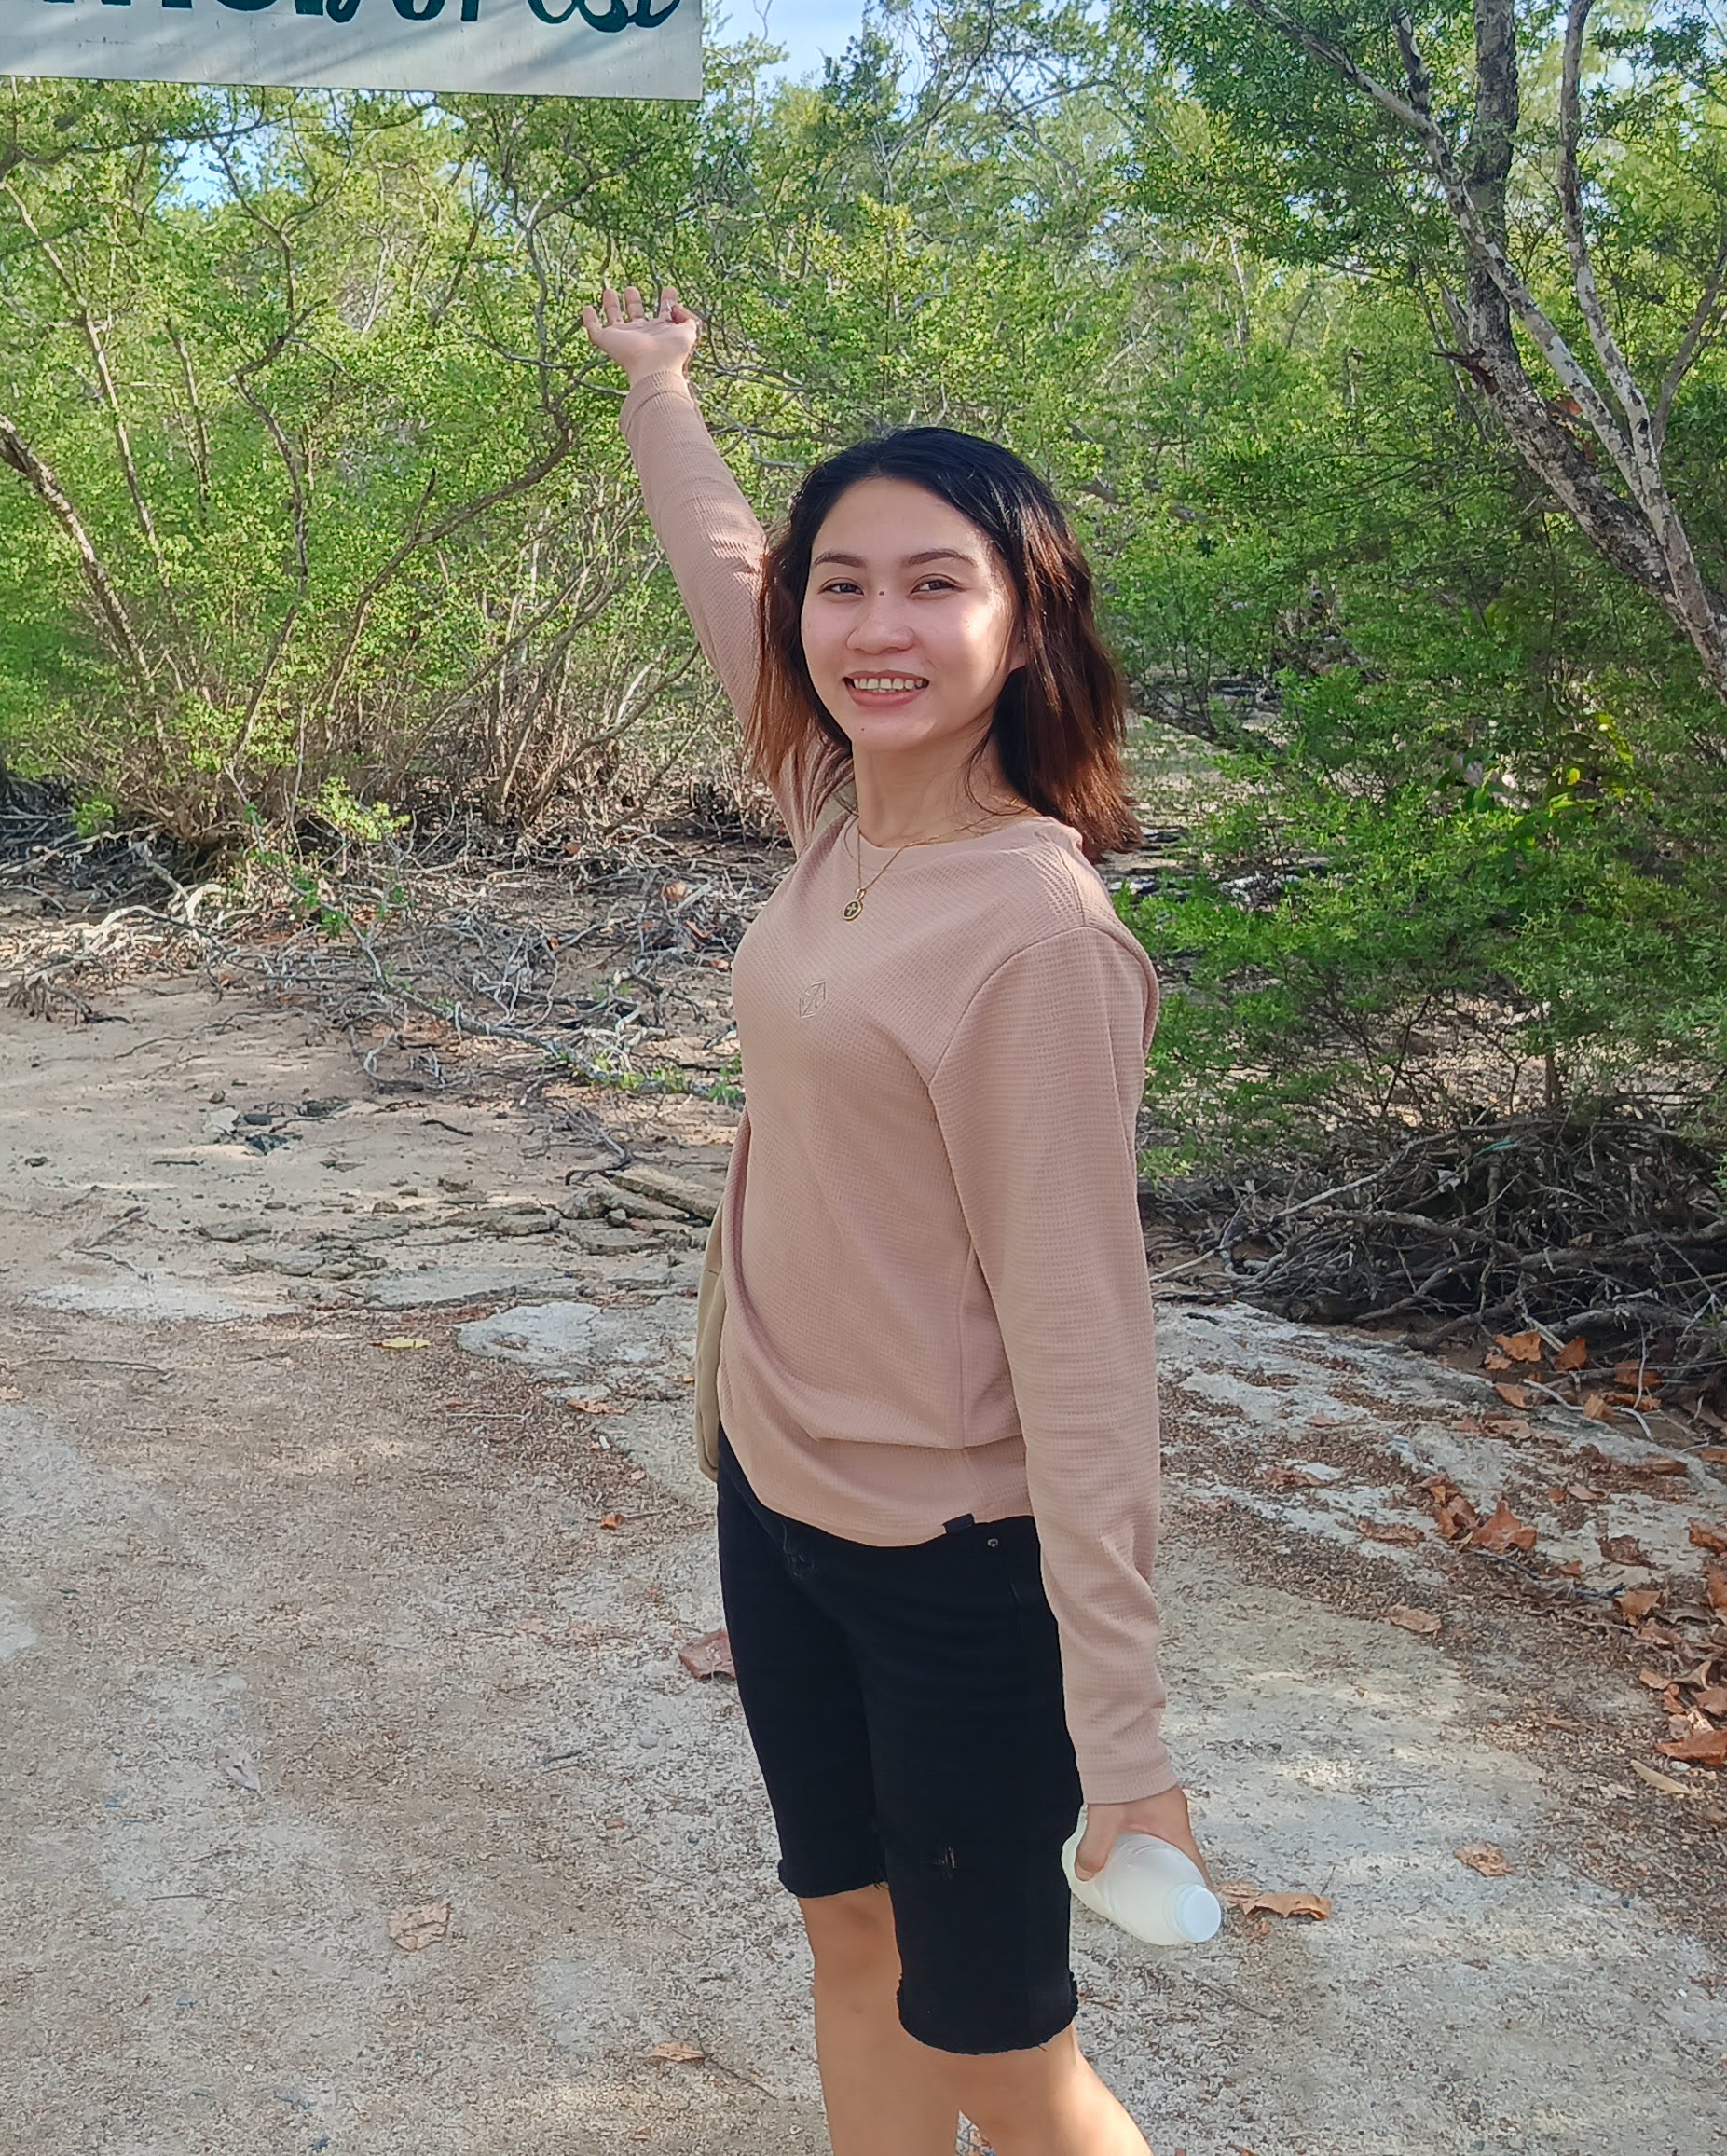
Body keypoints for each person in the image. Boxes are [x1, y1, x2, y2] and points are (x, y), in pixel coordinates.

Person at [584, 281, 1192, 2156]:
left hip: (955, 1567)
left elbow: (1082, 1335)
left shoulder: (1033, 933)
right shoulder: (840, 814)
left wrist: (1129, 1742)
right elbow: (726, 576)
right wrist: (660, 390)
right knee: (846, 1938)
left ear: (1026, 622)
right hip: (781, 1505)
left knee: (1003, 2059)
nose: (877, 626)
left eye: (936, 584)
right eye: (842, 586)